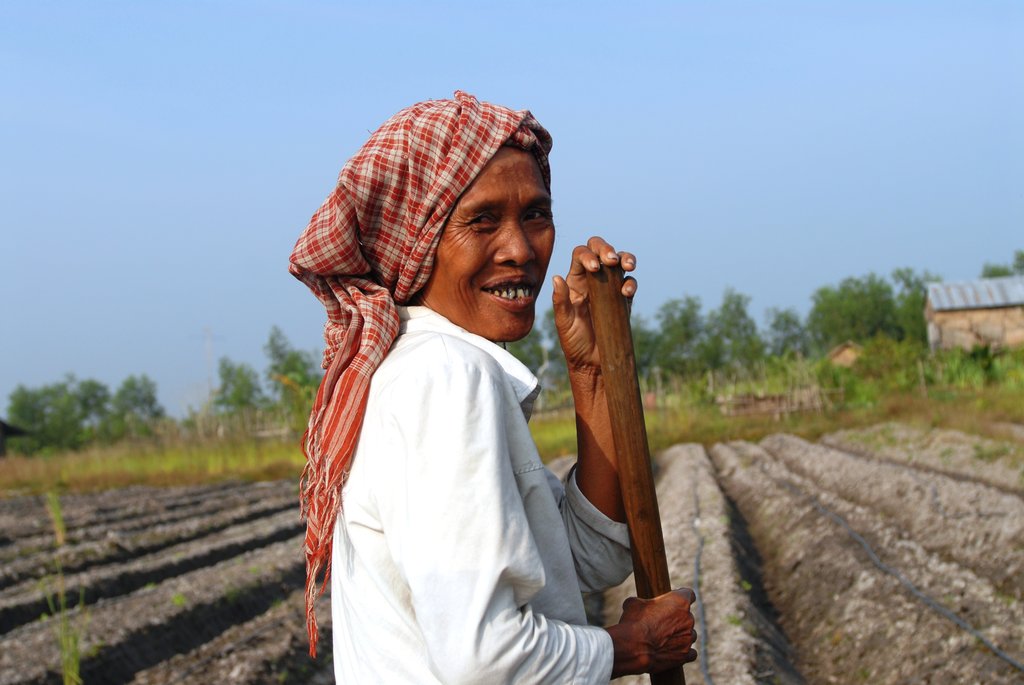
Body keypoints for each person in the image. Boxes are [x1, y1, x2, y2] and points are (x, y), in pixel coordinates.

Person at [290, 91, 696, 683]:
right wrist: (633, 647)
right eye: (481, 221)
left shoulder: (419, 367)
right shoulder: (447, 377)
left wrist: (590, 373)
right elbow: (485, 657)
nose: (520, 250)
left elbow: (581, 561)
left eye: (536, 214)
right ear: (417, 241)